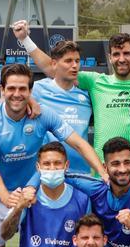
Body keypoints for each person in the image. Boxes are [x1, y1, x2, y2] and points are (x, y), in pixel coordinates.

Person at [0, 63, 102, 247]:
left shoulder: (43, 115)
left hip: (34, 194)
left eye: (22, 89)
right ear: (2, 89)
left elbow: (79, 143)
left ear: (30, 91)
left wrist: (104, 173)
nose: (17, 94)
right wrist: (5, 197)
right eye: (11, 88)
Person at [18, 23, 130, 164]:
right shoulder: (95, 81)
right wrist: (25, 40)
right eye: (116, 54)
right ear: (109, 57)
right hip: (103, 167)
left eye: (126, 53)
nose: (121, 59)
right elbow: (55, 69)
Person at [29, 41, 94, 174]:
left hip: (81, 172)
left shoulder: (87, 94)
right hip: (49, 171)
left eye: (77, 61)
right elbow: (10, 98)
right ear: (54, 64)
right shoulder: (38, 89)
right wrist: (29, 99)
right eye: (68, 61)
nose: (74, 66)